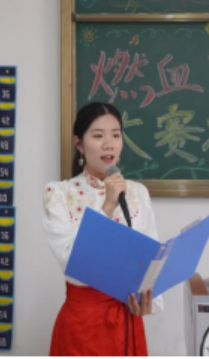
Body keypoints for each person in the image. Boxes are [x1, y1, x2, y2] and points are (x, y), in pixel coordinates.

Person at [43, 102, 164, 357]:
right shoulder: (59, 194)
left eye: (116, 135)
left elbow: (152, 257)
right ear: (79, 144)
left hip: (128, 321)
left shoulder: (138, 193)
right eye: (98, 136)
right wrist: (107, 205)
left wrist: (148, 301)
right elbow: (72, 264)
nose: (109, 144)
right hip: (82, 326)